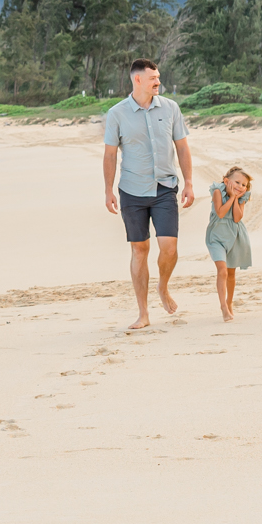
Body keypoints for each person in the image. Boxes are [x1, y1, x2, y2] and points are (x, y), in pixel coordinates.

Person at [102, 58, 194, 330]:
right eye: (153, 78)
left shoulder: (171, 108)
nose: (158, 82)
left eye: (159, 77)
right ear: (137, 80)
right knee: (140, 250)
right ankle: (143, 313)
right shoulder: (116, 113)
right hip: (132, 191)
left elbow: (183, 147)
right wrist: (108, 190)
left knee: (169, 247)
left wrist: (188, 182)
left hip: (165, 187)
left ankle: (163, 287)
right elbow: (109, 154)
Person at [204, 166, 253, 319]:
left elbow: (237, 218)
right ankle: (223, 306)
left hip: (235, 236)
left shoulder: (242, 197)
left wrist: (237, 199)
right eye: (237, 182)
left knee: (231, 273)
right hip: (217, 237)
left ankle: (229, 302)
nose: (240, 187)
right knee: (222, 270)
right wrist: (231, 197)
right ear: (226, 181)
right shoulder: (218, 191)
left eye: (244, 185)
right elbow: (220, 213)